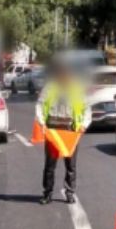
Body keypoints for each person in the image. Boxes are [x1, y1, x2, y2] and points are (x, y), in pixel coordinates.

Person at [35, 61, 92, 205]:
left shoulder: (76, 89)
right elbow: (40, 105)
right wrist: (42, 123)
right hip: (53, 130)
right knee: (50, 166)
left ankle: (70, 193)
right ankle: (47, 193)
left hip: (70, 131)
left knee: (71, 166)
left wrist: (84, 125)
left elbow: (86, 108)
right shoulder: (50, 88)